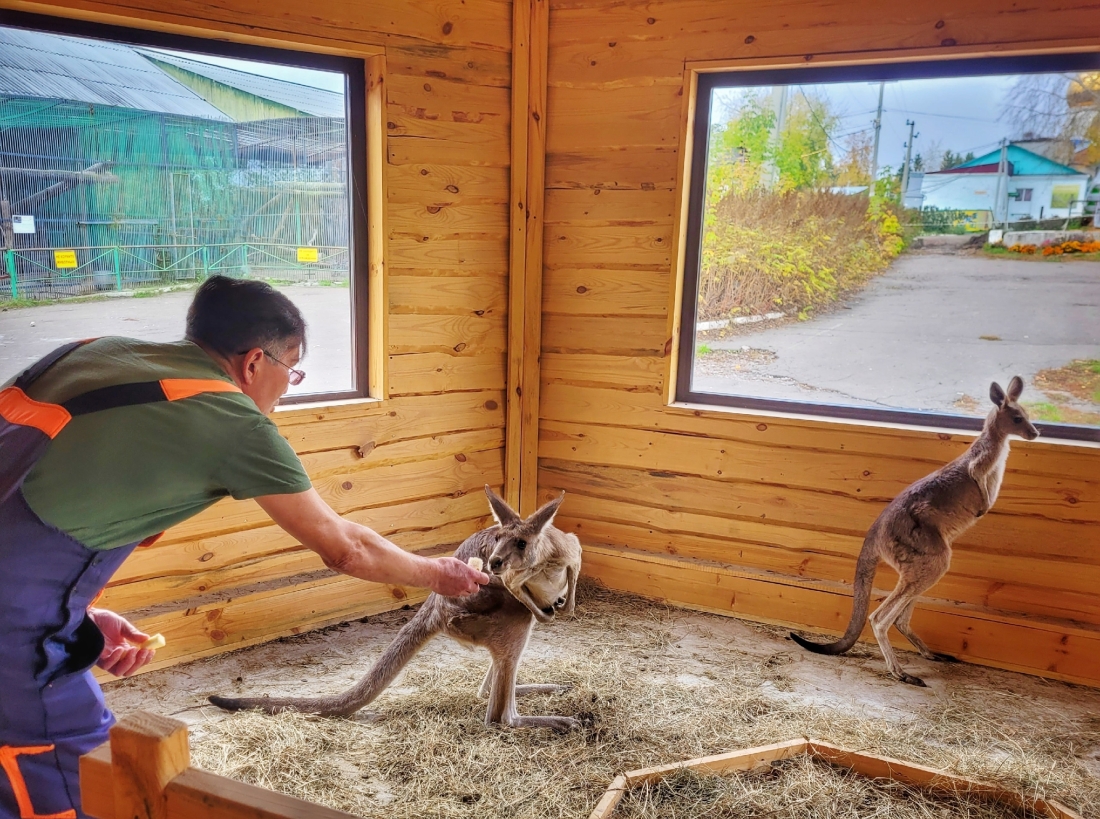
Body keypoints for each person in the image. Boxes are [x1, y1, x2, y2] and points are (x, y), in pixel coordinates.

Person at [0, 275, 488, 819]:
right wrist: (440, 575)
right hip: (14, 627)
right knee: (79, 774)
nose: (289, 388)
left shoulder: (95, 353)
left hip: (27, 605)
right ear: (256, 362)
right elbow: (346, 548)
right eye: (292, 371)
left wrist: (76, 613)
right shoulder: (236, 424)